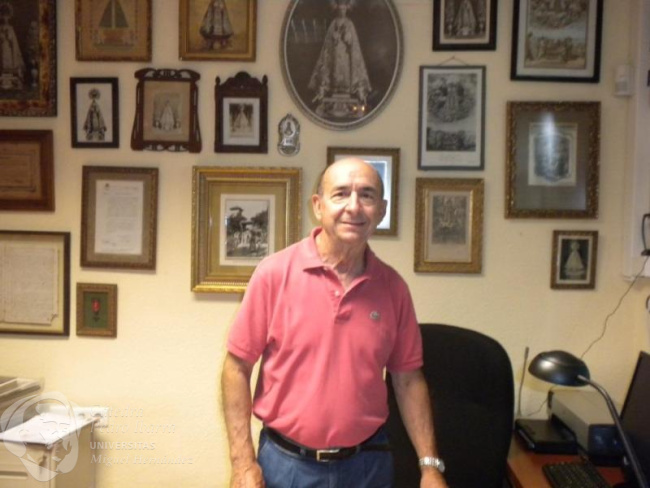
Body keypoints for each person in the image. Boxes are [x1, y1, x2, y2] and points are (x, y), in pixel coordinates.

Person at [221, 157, 448, 488]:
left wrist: (430, 467)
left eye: (366, 195)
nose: (353, 207)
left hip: (368, 467)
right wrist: (242, 462)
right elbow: (236, 368)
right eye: (341, 193)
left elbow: (409, 380)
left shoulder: (393, 288)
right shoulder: (274, 274)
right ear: (318, 206)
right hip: (286, 467)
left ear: (381, 210)